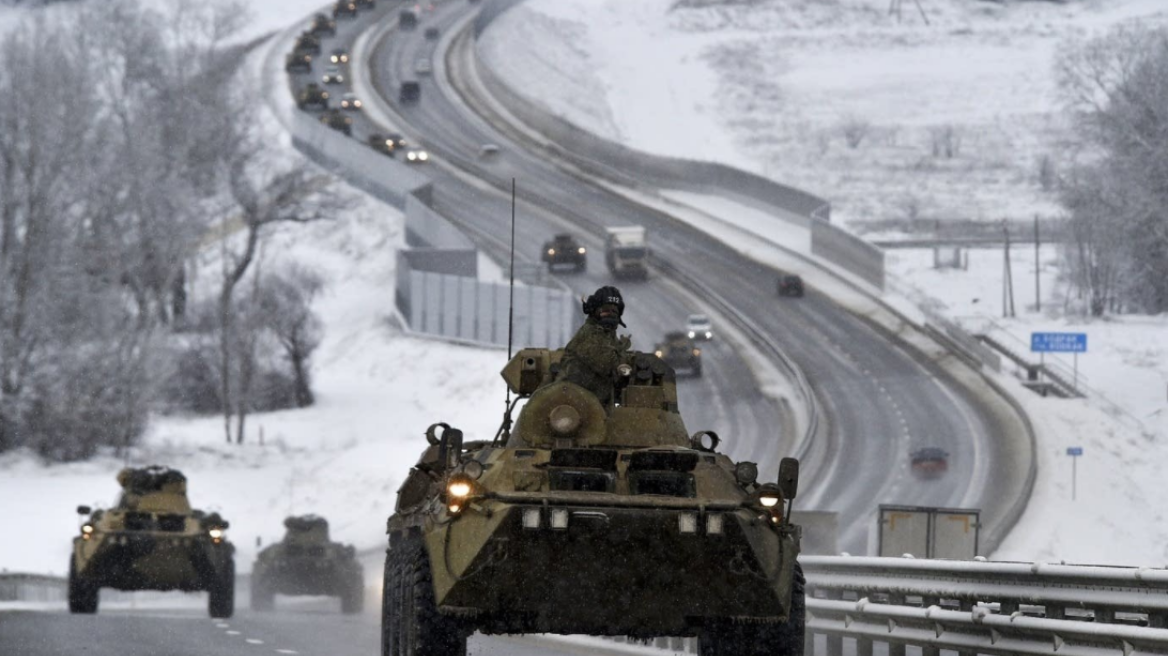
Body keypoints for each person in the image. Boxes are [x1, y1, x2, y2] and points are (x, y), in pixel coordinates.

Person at [554, 286, 632, 404]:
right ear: (594, 310)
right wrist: (622, 352)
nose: (610, 314)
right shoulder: (590, 334)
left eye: (614, 311)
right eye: (605, 310)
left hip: (592, 403)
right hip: (572, 403)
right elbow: (609, 365)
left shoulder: (607, 335)